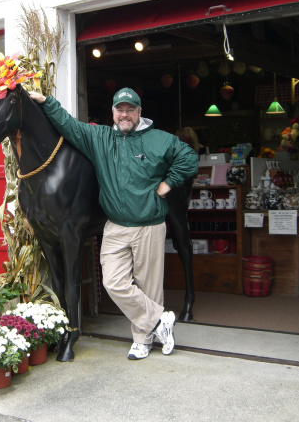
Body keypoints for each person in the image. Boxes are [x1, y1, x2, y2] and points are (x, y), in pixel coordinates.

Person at [29, 87, 198, 360]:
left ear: (139, 112)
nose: (125, 115)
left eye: (130, 110)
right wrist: (47, 102)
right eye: (120, 110)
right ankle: (159, 320)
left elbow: (189, 157)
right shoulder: (100, 137)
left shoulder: (159, 140)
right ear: (113, 113)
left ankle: (143, 341)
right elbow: (68, 125)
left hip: (148, 225)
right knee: (114, 282)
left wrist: (167, 184)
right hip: (116, 226)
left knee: (148, 287)